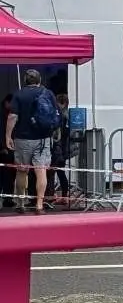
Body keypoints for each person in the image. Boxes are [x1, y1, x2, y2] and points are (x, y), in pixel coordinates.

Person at [6, 68, 61, 213]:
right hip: (43, 139)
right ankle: (39, 205)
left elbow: (12, 116)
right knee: (41, 171)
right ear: (39, 80)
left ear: (25, 80)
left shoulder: (19, 94)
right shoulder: (48, 93)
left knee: (22, 171)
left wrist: (8, 136)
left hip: (22, 139)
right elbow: (55, 115)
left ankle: (21, 204)